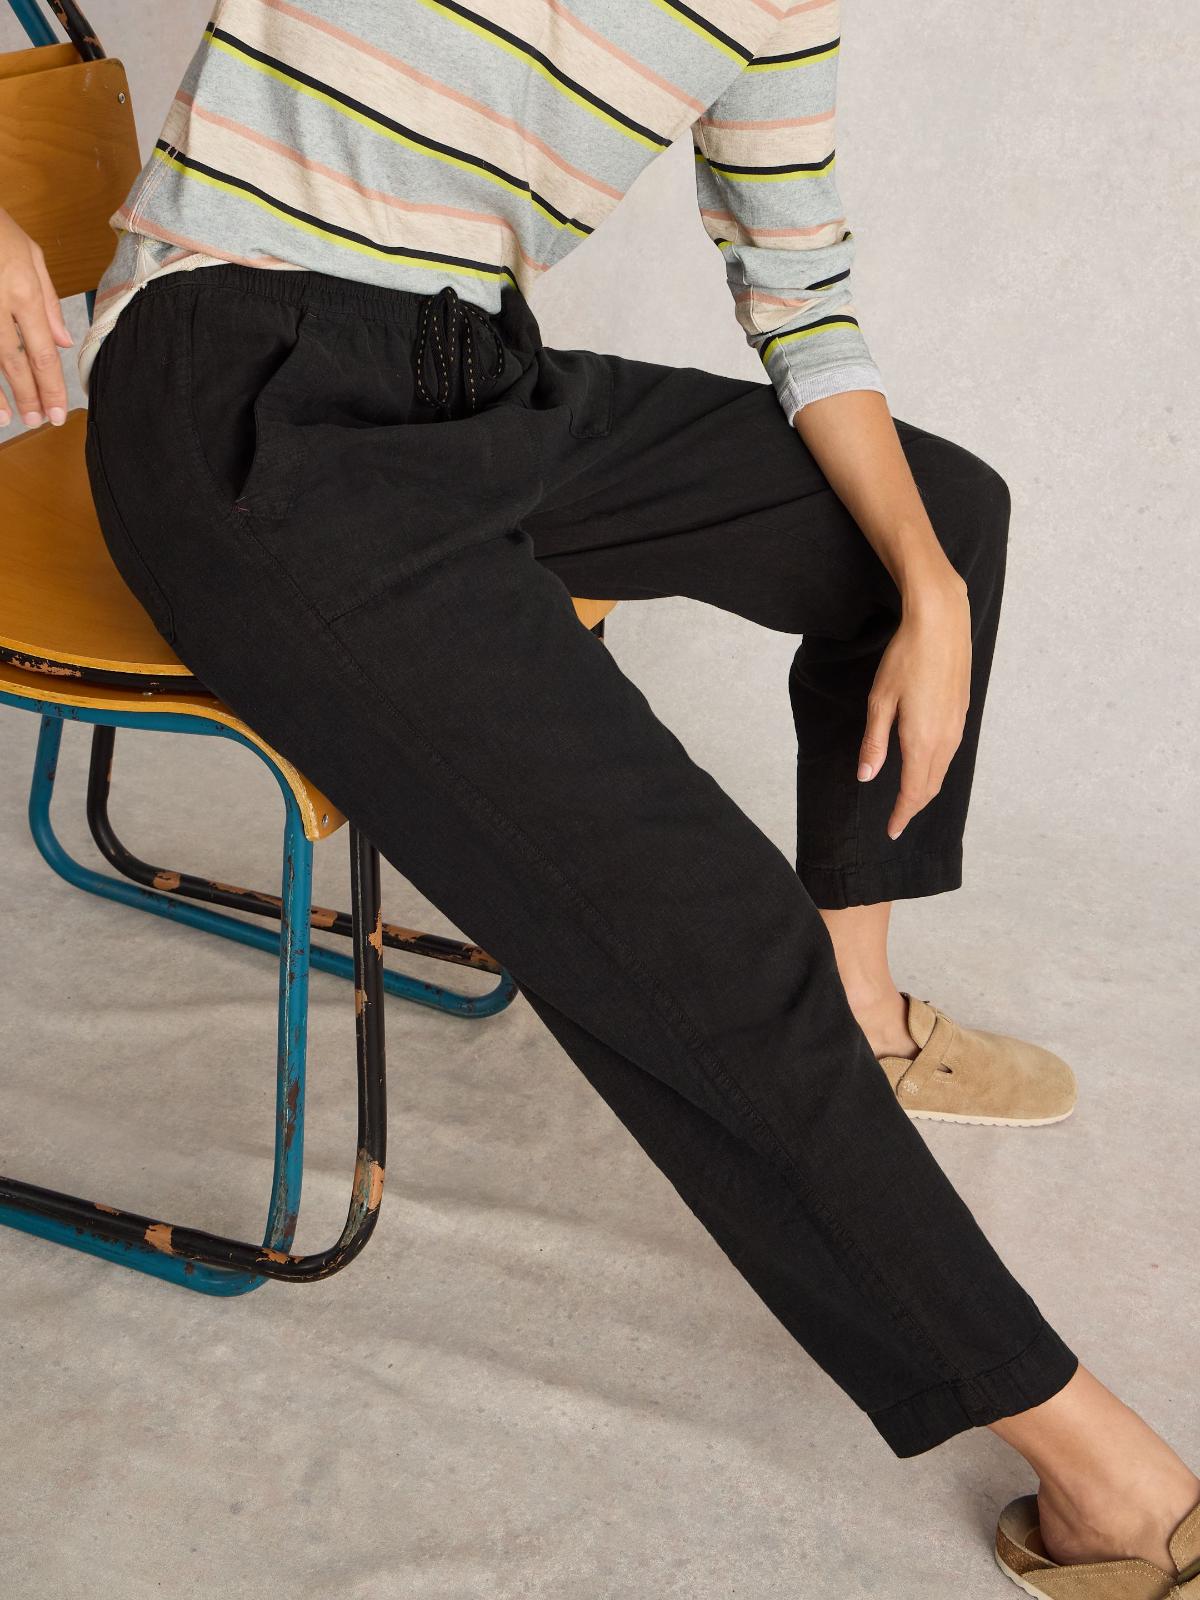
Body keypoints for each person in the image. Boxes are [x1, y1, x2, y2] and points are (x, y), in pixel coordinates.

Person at [4, 3, 1197, 1591]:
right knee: (704, 922)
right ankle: (1104, 1477)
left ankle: (859, 1015)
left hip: (484, 389)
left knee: (941, 520)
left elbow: (804, 295)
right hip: (243, 388)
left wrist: (926, 582)